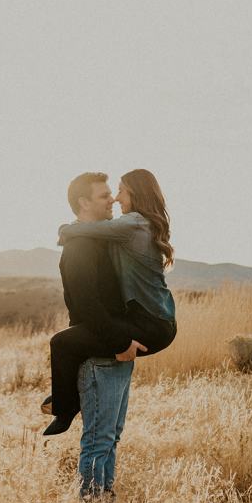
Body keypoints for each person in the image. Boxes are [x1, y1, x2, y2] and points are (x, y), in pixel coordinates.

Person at [43, 169, 177, 436]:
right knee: (109, 435)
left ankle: (64, 406)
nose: (115, 199)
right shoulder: (108, 237)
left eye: (119, 191)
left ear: (136, 194)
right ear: (84, 202)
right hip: (145, 322)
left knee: (61, 343)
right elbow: (84, 298)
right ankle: (66, 404)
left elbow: (87, 230)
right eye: (107, 194)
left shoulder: (132, 224)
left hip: (150, 324)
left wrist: (65, 230)